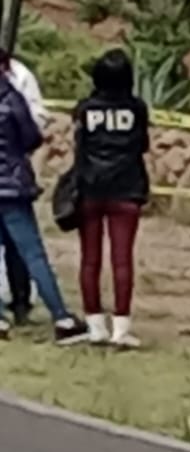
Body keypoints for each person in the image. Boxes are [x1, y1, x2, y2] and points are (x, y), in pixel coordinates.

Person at [0, 48, 89, 344]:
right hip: (12, 186)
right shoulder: (12, 99)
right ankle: (61, 317)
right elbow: (32, 137)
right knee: (33, 254)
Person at [72, 49, 150, 348]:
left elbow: (79, 144)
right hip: (126, 188)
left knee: (89, 259)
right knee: (122, 260)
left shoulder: (84, 108)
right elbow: (142, 145)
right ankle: (121, 328)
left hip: (90, 188)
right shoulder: (137, 109)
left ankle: (95, 325)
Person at [1, 54, 47, 324]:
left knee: (18, 245)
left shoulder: (20, 76)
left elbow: (35, 122)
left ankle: (20, 300)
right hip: (13, 177)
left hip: (10, 176)